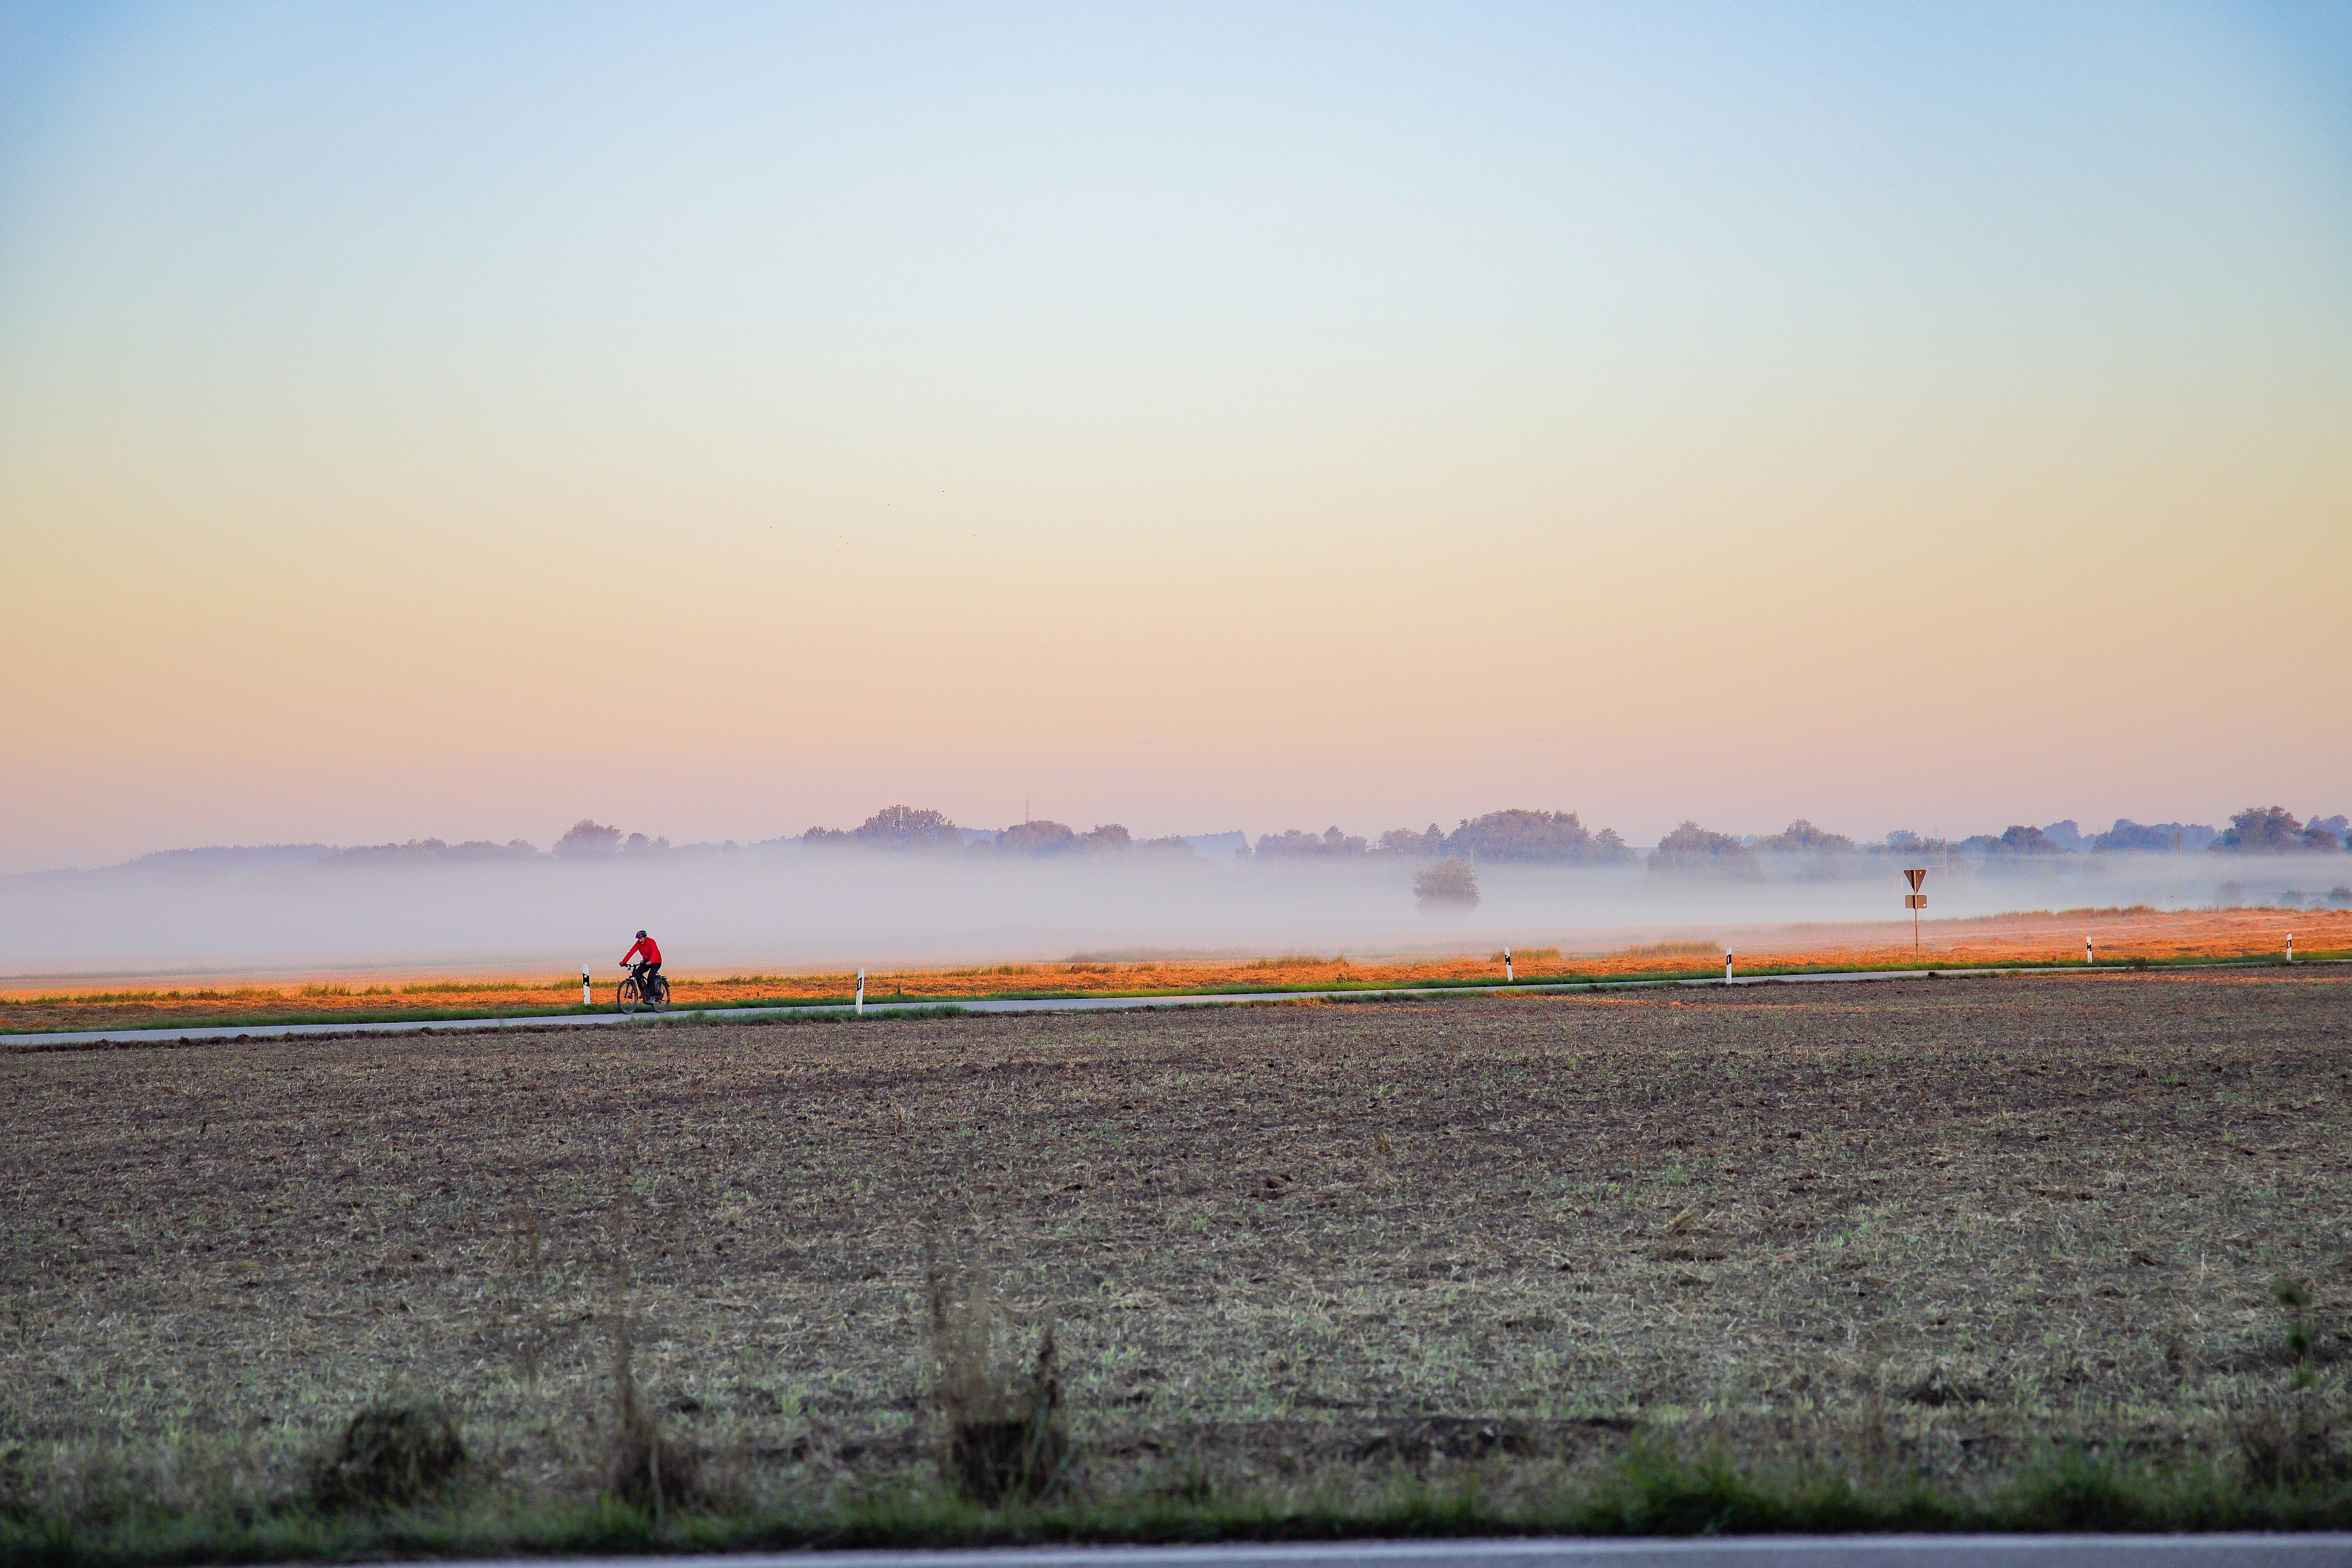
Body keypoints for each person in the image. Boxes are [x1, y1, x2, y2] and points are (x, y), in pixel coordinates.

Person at [619, 929, 662, 996]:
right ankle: (644, 992)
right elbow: (631, 952)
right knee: (637, 973)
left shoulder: (651, 942)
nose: (640, 941)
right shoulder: (638, 944)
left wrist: (651, 961)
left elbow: (655, 952)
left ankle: (653, 996)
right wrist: (624, 962)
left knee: (651, 977)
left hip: (656, 962)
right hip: (647, 962)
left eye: (641, 939)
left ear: (645, 937)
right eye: (639, 939)